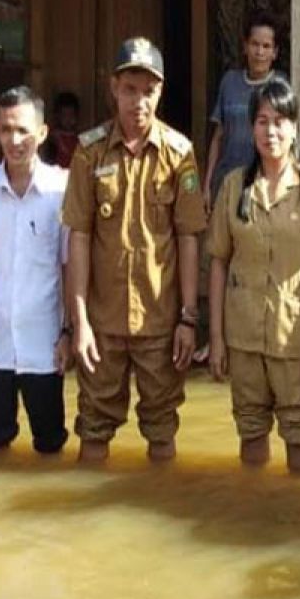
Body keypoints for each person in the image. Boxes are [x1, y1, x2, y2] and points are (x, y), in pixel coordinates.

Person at [63, 37, 206, 463]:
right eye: (130, 89)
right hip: (102, 326)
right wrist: (80, 321)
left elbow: (188, 237)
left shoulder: (180, 155)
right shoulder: (88, 153)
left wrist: (187, 318)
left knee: (162, 430)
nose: (138, 101)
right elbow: (80, 237)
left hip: (160, 324)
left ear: (160, 93)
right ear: (113, 88)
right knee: (93, 427)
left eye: (148, 91)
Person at [207, 76, 300, 473]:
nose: (271, 131)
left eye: (280, 121)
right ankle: (255, 512)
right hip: (243, 339)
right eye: (263, 121)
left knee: (299, 434)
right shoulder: (234, 187)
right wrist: (216, 339)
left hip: (295, 341)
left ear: (295, 127)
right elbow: (217, 261)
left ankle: (296, 520)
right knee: (250, 432)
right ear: (251, 128)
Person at [0, 86, 71, 454]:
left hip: (45, 344)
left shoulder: (63, 188)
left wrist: (68, 332)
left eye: (24, 130)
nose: (15, 139)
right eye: (7, 130)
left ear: (42, 133)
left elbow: (70, 268)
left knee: (50, 443)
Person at [203, 11, 284, 214]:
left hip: (264, 185)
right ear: (245, 47)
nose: (260, 52)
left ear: (275, 52)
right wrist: (206, 185)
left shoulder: (281, 86)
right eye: (255, 44)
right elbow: (218, 138)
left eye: (266, 46)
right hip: (225, 183)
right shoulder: (229, 82)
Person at [42, 91, 81, 168]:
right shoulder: (54, 138)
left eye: (71, 115)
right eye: (64, 116)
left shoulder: (79, 137)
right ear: (58, 116)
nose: (68, 119)